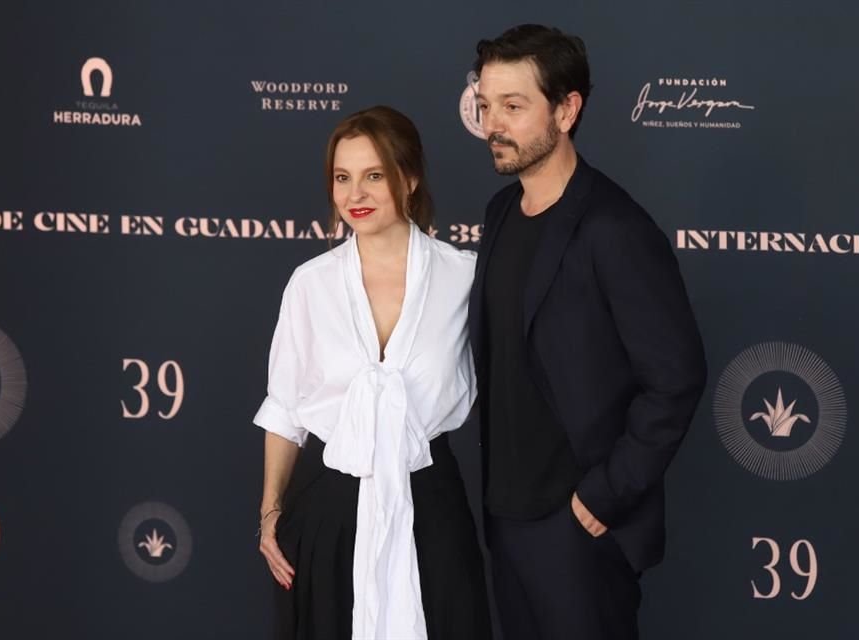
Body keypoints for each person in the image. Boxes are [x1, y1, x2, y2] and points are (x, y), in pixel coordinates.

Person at [468, 25, 708, 639]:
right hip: (503, 516)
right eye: (487, 104)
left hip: (577, 527)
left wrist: (602, 497)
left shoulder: (615, 228)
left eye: (514, 107)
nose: (494, 123)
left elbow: (676, 379)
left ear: (567, 109)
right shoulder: (499, 213)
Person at [253, 105, 491, 640]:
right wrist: (270, 514)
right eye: (342, 178)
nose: (354, 194)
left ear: (409, 178)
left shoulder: (466, 277)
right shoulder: (309, 285)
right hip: (327, 512)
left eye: (373, 176)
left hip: (431, 508)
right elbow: (286, 408)